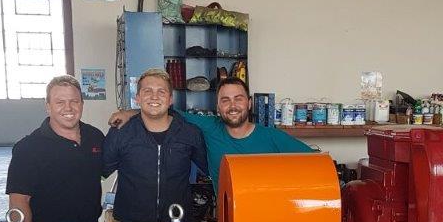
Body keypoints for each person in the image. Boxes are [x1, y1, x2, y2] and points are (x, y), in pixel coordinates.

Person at [108, 76, 313, 189]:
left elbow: (316, 164)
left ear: (249, 103)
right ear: (217, 107)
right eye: (225, 100)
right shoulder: (208, 127)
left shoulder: (273, 137)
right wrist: (130, 113)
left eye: (239, 99)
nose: (232, 106)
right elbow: (164, 110)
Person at [103, 68, 208, 222]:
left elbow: (211, 168)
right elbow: (101, 171)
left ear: (170, 99)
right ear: (137, 98)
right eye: (147, 91)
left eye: (161, 91)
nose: (154, 96)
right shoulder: (120, 133)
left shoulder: (190, 133)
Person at [6, 74, 104, 222]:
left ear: (82, 104)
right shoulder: (28, 148)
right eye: (60, 102)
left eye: (74, 101)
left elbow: (105, 171)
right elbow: (19, 201)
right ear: (48, 106)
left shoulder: (95, 136)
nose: (68, 108)